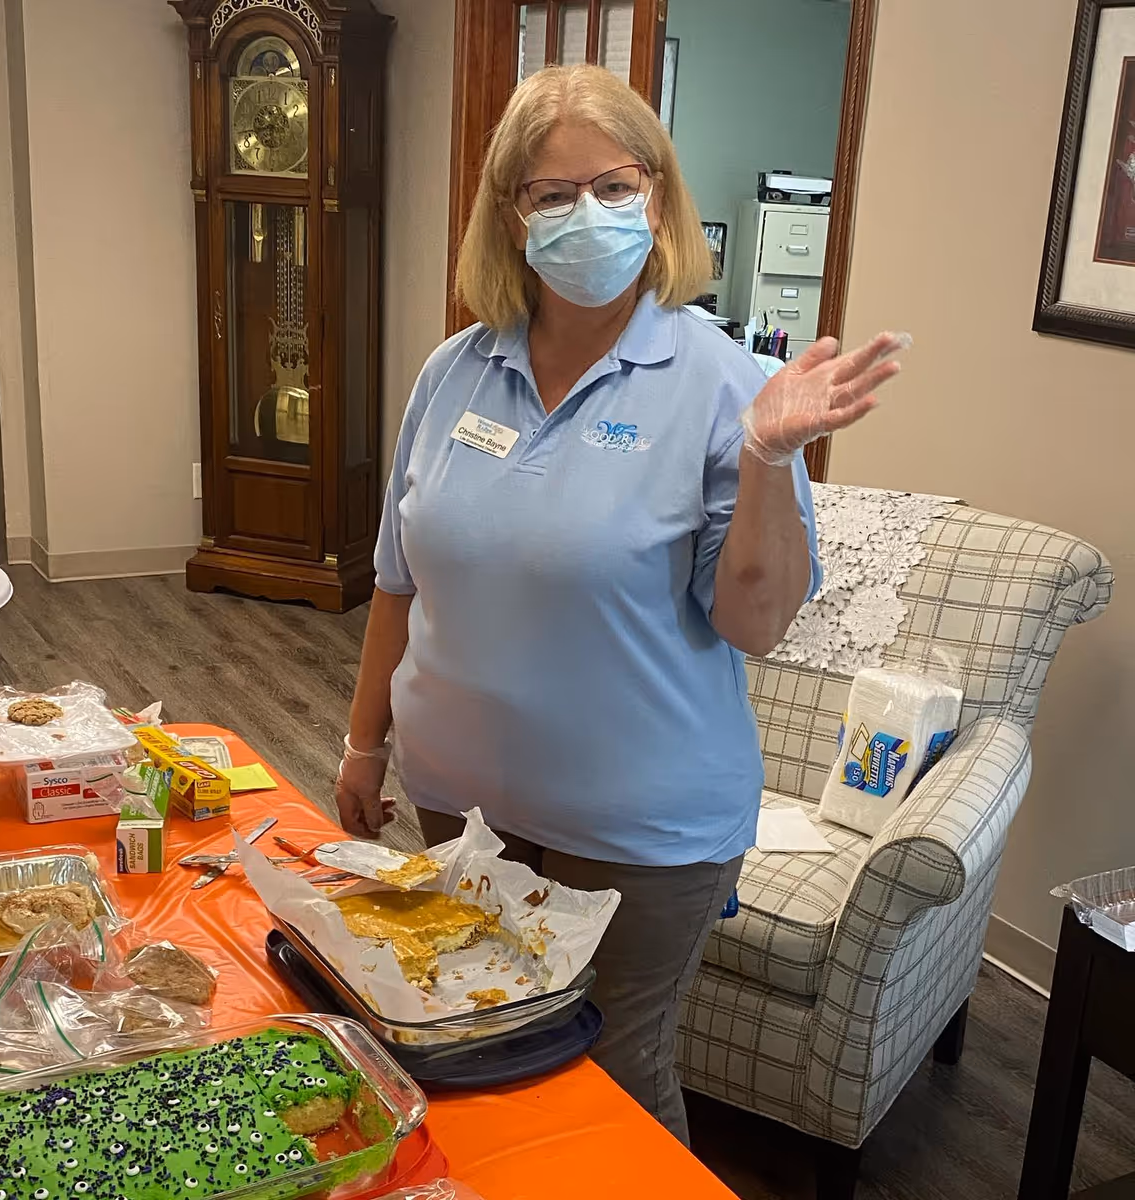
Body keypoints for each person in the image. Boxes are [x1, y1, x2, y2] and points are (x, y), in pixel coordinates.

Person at [336, 64, 904, 1144]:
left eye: (613, 184)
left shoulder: (725, 384)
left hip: (640, 837)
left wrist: (772, 459)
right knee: (476, 1046)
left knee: (610, 1081)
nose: (583, 214)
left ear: (659, 195)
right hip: (462, 807)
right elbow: (398, 580)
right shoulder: (453, 373)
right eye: (550, 194)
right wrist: (367, 747)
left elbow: (756, 621)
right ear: (510, 216)